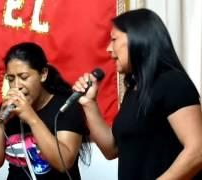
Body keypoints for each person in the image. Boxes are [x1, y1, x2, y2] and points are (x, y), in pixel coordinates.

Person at [72, 8, 202, 180]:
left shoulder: (172, 82)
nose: (109, 49)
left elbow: (197, 150)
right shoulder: (134, 90)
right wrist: (89, 103)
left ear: (138, 38)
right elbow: (111, 150)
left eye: (114, 39)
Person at [0, 42, 90, 180]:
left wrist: (31, 118)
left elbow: (64, 163)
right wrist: (0, 120)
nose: (17, 86)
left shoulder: (66, 107)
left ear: (43, 74)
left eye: (24, 77)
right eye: (11, 79)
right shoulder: (7, 108)